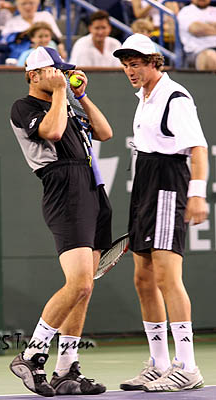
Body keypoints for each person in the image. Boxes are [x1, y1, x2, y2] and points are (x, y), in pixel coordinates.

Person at [9, 46, 113, 396]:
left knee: (85, 290)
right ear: (35, 74)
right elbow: (52, 133)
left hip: (92, 188)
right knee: (80, 284)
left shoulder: (65, 101)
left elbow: (105, 132)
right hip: (63, 187)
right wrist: (58, 93)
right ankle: (32, 355)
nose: (63, 76)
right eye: (56, 71)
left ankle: (67, 370)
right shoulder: (26, 107)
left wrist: (80, 95)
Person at [113, 33, 208, 392]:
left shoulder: (175, 96)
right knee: (144, 278)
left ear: (155, 62)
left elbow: (199, 149)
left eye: (135, 64)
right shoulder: (144, 98)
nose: (129, 71)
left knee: (168, 277)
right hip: (145, 186)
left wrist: (197, 196)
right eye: (125, 65)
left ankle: (188, 366)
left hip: (170, 184)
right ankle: (160, 362)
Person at [1, 0, 66, 59]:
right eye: (24, 4)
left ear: (37, 4)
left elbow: (57, 37)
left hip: (48, 54)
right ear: (18, 6)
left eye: (31, 3)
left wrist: (61, 48)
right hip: (21, 56)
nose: (28, 6)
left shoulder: (46, 15)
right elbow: (5, 41)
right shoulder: (11, 22)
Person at [177, 0, 216, 70]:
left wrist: (205, 25)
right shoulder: (186, 11)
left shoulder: (214, 10)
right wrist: (213, 25)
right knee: (211, 57)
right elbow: (196, 29)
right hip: (197, 51)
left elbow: (202, 28)